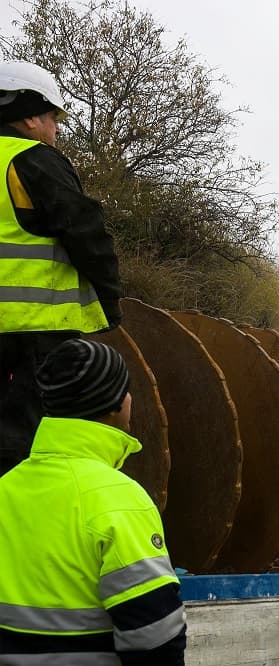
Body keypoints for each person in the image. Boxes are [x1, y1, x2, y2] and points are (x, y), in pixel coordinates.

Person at [0, 339, 186, 664]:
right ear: (115, 404)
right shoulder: (119, 500)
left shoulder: (6, 488)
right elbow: (155, 640)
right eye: (126, 390)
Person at [0, 61, 123, 476]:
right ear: (30, 116)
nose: (55, 130)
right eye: (53, 118)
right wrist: (110, 303)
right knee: (25, 448)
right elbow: (86, 234)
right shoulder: (33, 160)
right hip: (32, 336)